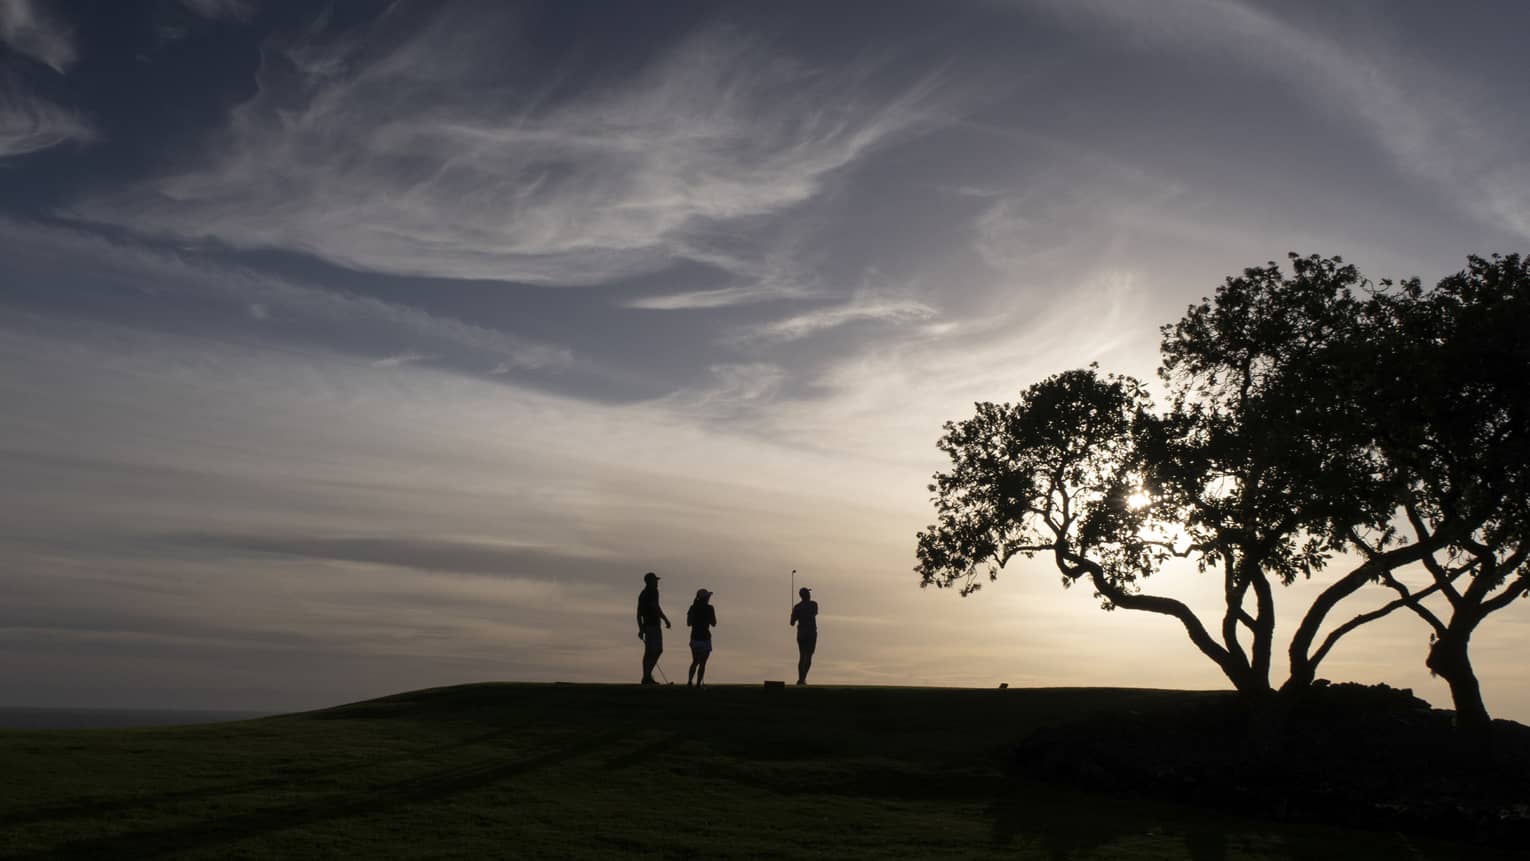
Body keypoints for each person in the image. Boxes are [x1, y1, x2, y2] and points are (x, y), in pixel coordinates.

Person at [636, 571, 671, 685]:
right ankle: (646, 677)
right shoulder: (653, 592)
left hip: (648, 625)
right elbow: (656, 607)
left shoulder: (643, 594)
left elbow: (638, 613)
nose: (657, 582)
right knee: (654, 651)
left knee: (651, 651)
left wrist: (641, 628)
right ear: (650, 581)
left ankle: (647, 676)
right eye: (655, 580)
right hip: (653, 625)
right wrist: (665, 619)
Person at [686, 588, 717, 687]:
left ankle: (690, 681)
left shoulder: (692, 607)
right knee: (702, 663)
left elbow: (688, 623)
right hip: (705, 638)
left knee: (695, 661)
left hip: (695, 637)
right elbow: (714, 623)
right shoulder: (710, 608)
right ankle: (698, 684)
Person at [790, 586, 818, 685]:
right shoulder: (813, 604)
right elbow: (814, 613)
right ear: (806, 595)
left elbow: (792, 623)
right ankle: (802, 678)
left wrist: (794, 614)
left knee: (802, 656)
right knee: (808, 656)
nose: (810, 595)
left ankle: (801, 679)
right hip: (810, 633)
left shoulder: (797, 607)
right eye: (808, 593)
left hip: (801, 633)